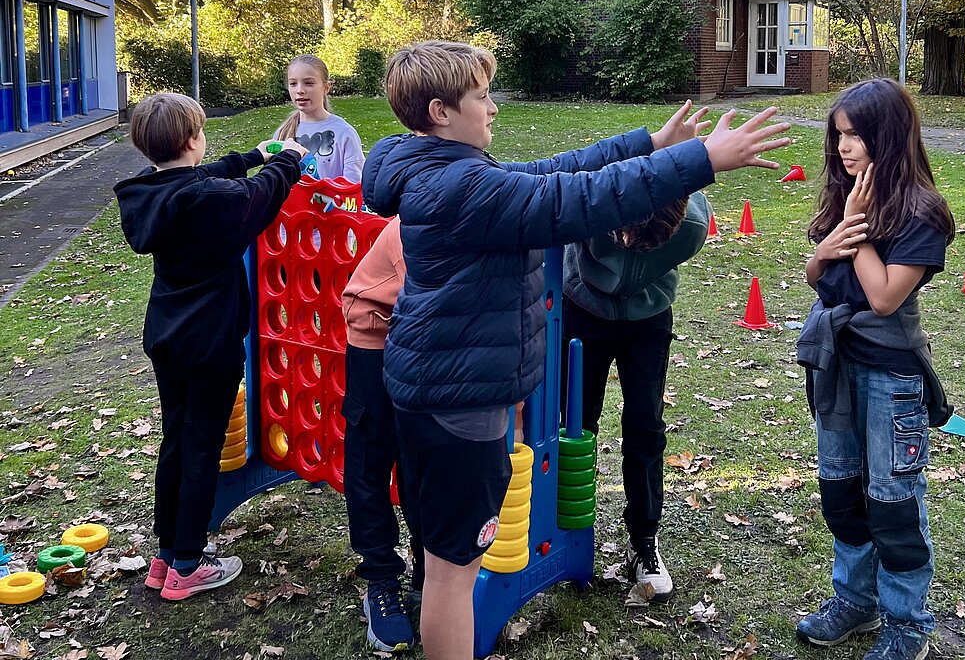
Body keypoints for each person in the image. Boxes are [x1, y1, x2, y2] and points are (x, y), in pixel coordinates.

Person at [361, 40, 790, 660]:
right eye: (482, 96)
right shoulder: (460, 187)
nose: (494, 108)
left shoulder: (438, 172)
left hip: (433, 388)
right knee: (454, 571)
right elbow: (575, 201)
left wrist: (645, 144)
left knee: (440, 557)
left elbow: (550, 173)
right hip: (459, 405)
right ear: (440, 111)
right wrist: (702, 159)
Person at [113, 92, 308, 601]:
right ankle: (187, 565)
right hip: (210, 341)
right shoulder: (215, 201)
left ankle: (164, 555)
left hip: (167, 335)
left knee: (176, 438)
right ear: (192, 140)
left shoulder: (149, 194)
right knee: (201, 445)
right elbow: (261, 195)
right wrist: (288, 160)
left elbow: (205, 176)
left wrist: (252, 155)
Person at [795, 78, 955, 660]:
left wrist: (855, 234)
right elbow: (818, 277)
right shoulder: (846, 196)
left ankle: (907, 623)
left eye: (857, 134)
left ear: (889, 135)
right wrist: (827, 245)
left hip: (891, 376)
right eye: (839, 134)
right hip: (836, 367)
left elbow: (885, 297)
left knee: (892, 500)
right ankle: (855, 602)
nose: (844, 147)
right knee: (841, 491)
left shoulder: (921, 213)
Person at [560, 188, 712, 603]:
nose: (626, 246)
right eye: (620, 235)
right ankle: (564, 534)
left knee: (645, 425)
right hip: (582, 308)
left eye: (638, 244)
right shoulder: (592, 197)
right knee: (574, 424)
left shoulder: (691, 226)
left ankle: (644, 540)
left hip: (648, 319)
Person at [341, 216, 423, 652]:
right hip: (377, 338)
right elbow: (429, 300)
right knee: (372, 459)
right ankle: (381, 578)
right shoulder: (417, 224)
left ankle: (429, 571)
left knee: (424, 458)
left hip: (427, 342)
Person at [275, 54, 364, 182]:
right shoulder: (282, 134)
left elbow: (354, 185)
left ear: (326, 88)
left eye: (309, 83)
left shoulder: (344, 133)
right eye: (293, 83)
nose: (300, 90)